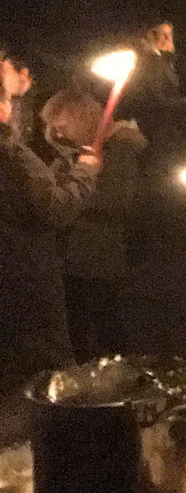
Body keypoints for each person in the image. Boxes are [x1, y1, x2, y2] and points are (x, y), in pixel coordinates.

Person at [0, 46, 98, 390]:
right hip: (27, 277)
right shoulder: (11, 155)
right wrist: (84, 173)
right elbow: (55, 208)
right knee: (46, 377)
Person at [39, 90, 146, 361]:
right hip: (73, 255)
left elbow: (118, 200)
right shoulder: (74, 155)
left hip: (101, 252)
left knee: (106, 320)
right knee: (75, 323)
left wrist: (74, 193)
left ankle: (118, 377)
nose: (57, 135)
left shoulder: (118, 151)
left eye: (62, 127)